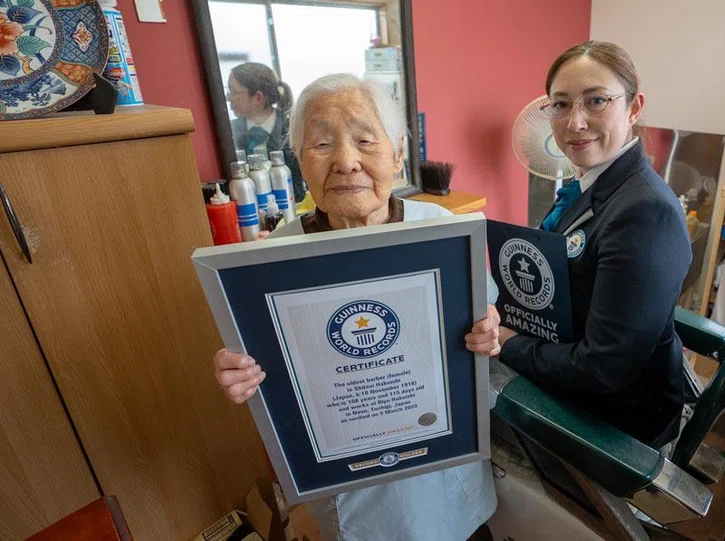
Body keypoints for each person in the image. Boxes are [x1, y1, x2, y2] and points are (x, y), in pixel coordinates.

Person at [214, 73, 500, 541]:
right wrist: (238, 371)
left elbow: (485, 317)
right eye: (322, 144)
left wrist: (488, 329)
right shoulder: (271, 258)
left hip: (440, 470)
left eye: (365, 140)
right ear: (300, 161)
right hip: (345, 484)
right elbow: (262, 364)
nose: (347, 163)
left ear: (399, 152)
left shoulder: (443, 231)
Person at [497, 41, 692, 450]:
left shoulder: (643, 214)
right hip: (571, 367)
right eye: (561, 105)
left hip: (617, 425)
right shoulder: (591, 186)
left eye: (596, 101)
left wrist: (507, 341)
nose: (575, 123)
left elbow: (604, 369)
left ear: (634, 107)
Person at [226, 62, 306, 201]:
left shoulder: (293, 128)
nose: (228, 98)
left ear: (258, 97)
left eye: (233, 91)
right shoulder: (228, 131)